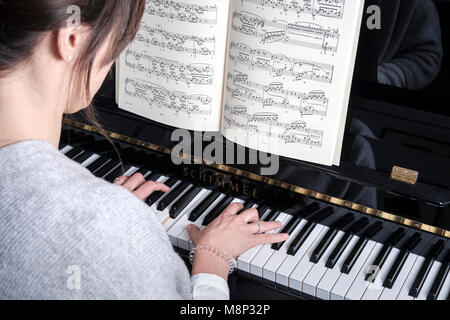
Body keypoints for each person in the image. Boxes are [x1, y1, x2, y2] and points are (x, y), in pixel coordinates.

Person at [0, 0, 288, 300]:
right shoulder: (106, 223)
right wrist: (213, 257)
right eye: (120, 39)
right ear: (70, 39)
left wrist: (98, 217)